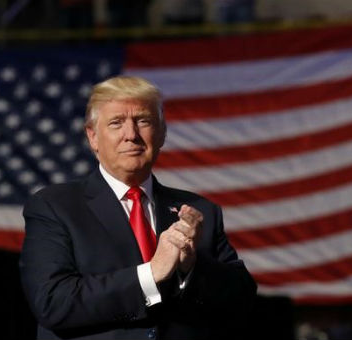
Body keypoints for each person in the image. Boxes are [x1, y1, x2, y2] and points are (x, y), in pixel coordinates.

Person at [19, 76, 258, 339]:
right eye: (116, 123)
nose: (131, 135)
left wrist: (191, 267)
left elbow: (243, 301)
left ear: (162, 133)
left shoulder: (201, 211)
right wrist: (151, 274)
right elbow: (53, 302)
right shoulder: (54, 206)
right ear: (93, 137)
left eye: (143, 121)